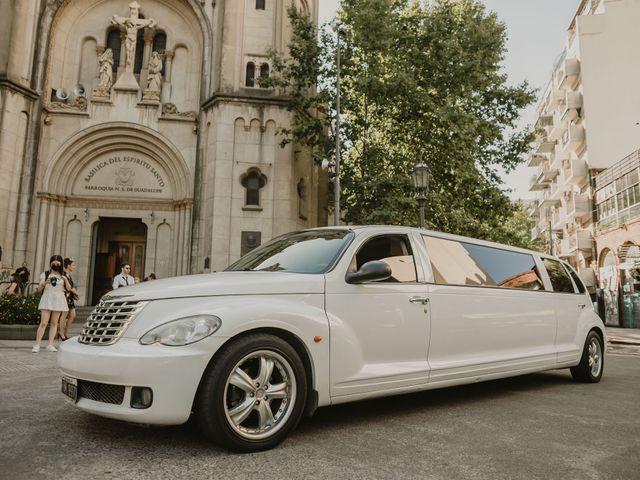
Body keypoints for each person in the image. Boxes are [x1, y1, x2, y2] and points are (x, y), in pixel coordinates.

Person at [33, 255, 71, 353]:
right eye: (53, 261)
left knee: (54, 323)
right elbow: (38, 289)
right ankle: (37, 345)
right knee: (44, 322)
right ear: (50, 263)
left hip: (58, 300)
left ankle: (50, 344)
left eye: (58, 262)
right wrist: (44, 283)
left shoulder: (64, 275)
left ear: (61, 263)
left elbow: (69, 289)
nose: (55, 263)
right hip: (47, 298)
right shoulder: (45, 274)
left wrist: (65, 279)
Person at [59, 258, 80, 341]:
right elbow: (69, 288)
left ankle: (65, 333)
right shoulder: (63, 274)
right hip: (65, 297)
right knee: (64, 315)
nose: (74, 267)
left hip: (70, 297)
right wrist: (77, 293)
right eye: (73, 265)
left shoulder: (68, 275)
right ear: (68, 266)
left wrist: (75, 294)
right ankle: (61, 333)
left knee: (72, 315)